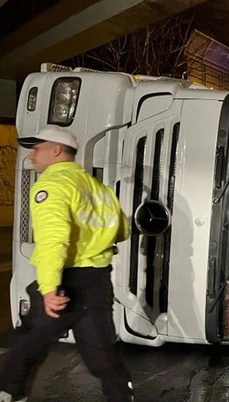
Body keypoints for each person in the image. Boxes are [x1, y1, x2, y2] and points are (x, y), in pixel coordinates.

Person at [0, 127, 133, 402]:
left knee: (27, 344)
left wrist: (49, 288)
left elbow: (53, 241)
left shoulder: (52, 186)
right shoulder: (98, 189)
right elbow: (122, 230)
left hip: (65, 282)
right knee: (101, 356)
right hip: (97, 281)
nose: (31, 155)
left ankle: (9, 394)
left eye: (37, 148)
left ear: (56, 150)